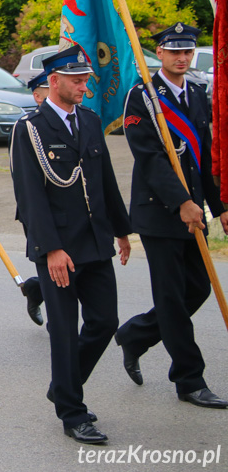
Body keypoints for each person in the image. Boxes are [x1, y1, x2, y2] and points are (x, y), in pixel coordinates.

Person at [10, 45, 132, 444]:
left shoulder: (91, 122)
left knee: (104, 321)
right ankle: (72, 411)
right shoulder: (29, 129)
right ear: (54, 81)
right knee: (64, 331)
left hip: (95, 242)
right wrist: (50, 249)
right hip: (58, 248)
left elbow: (105, 180)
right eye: (77, 80)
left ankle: (63, 386)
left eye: (85, 79)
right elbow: (30, 196)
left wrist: (120, 228)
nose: (84, 86)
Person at [115, 23, 228, 409]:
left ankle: (137, 334)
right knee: (173, 299)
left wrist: (221, 207)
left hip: (194, 211)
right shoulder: (142, 97)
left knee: (197, 288)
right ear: (158, 54)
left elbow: (202, 158)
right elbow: (149, 158)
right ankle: (188, 378)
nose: (182, 58)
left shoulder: (197, 93)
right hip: (160, 213)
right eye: (174, 51)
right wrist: (181, 201)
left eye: (188, 51)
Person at [14, 71, 52, 327]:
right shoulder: (27, 127)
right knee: (53, 265)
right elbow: (23, 177)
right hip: (38, 209)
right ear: (37, 96)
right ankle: (58, 321)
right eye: (48, 89)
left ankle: (36, 289)